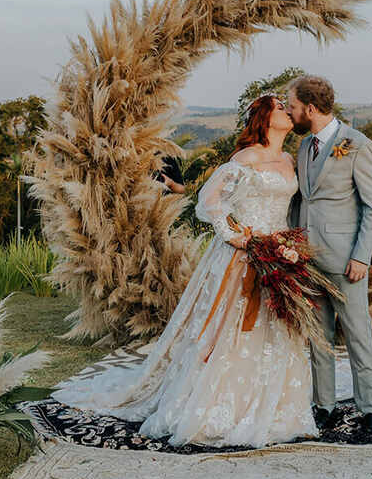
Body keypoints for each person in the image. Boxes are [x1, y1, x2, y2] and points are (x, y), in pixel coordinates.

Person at [52, 94, 316, 448]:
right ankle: (221, 404)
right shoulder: (247, 157)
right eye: (280, 106)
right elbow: (209, 202)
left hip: (278, 254)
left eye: (288, 106)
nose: (287, 109)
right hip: (244, 255)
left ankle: (277, 403)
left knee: (276, 326)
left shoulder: (288, 158)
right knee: (232, 328)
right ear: (265, 118)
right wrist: (236, 235)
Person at [285, 75, 372, 435]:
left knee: (358, 335)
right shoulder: (303, 146)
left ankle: (368, 408)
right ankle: (324, 405)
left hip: (347, 262)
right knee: (319, 338)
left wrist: (362, 257)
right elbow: (301, 200)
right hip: (307, 261)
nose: (288, 111)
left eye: (292, 106)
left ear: (310, 108)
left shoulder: (357, 145)